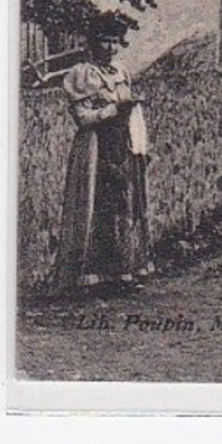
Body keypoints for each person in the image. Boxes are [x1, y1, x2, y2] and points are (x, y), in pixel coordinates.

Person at [55, 16, 154, 295]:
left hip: (122, 143)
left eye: (114, 40)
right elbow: (82, 117)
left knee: (124, 204)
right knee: (98, 204)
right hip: (97, 144)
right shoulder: (81, 74)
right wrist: (112, 111)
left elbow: (128, 108)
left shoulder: (120, 71)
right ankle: (93, 276)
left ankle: (123, 270)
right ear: (92, 41)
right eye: (104, 40)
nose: (109, 47)